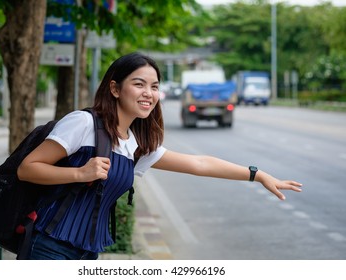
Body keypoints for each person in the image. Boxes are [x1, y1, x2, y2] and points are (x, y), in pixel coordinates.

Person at [17, 52, 302, 260]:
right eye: (139, 84)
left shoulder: (135, 145)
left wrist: (257, 174)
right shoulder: (83, 123)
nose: (148, 94)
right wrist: (79, 173)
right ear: (115, 89)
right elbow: (28, 168)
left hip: (89, 253)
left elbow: (199, 164)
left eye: (154, 86)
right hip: (48, 246)